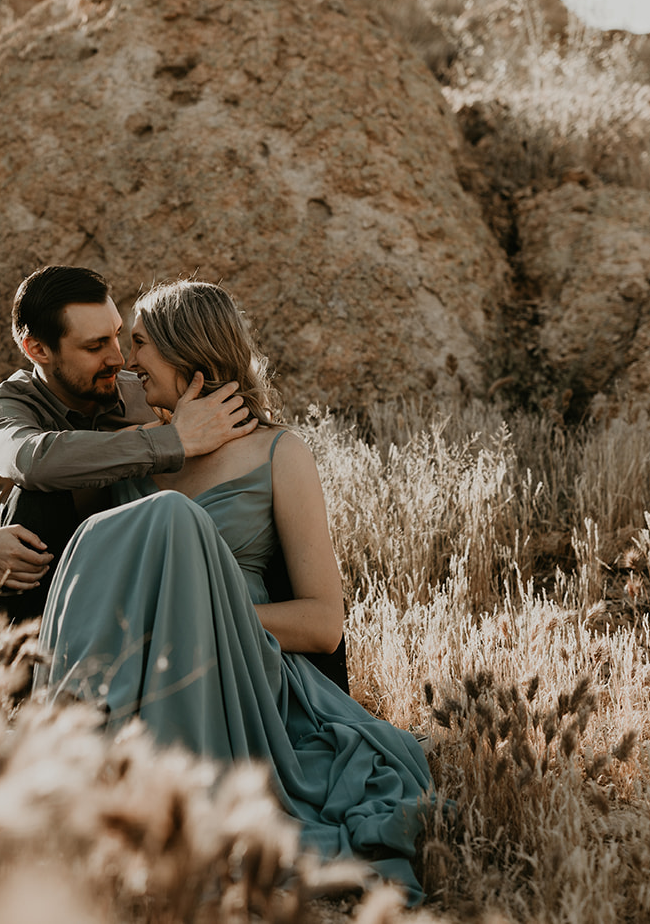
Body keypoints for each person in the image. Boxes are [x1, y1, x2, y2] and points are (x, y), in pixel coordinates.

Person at [33, 279, 434, 902]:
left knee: (172, 516)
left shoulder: (279, 453)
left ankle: (179, 812)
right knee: (159, 515)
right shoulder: (138, 451)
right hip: (135, 665)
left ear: (190, 356)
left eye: (140, 343)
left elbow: (324, 621)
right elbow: (78, 560)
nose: (129, 361)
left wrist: (207, 613)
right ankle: (71, 779)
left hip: (243, 668)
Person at [0, 265, 256, 623]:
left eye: (118, 336)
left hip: (160, 572)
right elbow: (29, 461)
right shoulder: (8, 406)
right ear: (38, 349)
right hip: (55, 585)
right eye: (95, 346)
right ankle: (24, 677)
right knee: (37, 497)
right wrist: (171, 440)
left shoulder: (151, 390)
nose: (119, 359)